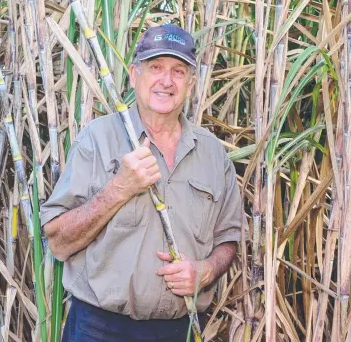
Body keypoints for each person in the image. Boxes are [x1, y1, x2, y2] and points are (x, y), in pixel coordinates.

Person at [41, 24, 243, 341]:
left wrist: (205, 271)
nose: (166, 80)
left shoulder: (213, 154)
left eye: (178, 71)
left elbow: (228, 239)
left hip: (179, 330)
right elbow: (58, 241)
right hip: (99, 328)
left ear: (191, 84)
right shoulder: (98, 139)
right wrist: (120, 188)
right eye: (155, 68)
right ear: (135, 75)